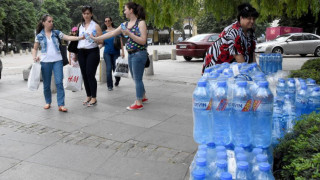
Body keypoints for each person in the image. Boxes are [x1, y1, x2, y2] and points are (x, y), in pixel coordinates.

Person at [91, 2, 148, 110]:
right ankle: (143, 96)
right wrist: (96, 39)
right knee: (136, 78)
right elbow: (111, 33)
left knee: (137, 78)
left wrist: (129, 33)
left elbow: (143, 41)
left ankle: (139, 102)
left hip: (139, 53)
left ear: (131, 10)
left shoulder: (141, 23)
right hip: (131, 54)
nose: (124, 11)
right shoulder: (125, 24)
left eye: (125, 9)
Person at [32, 14, 83, 112]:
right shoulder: (39, 36)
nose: (51, 23)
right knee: (46, 84)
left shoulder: (56, 33)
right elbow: (35, 48)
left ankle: (61, 104)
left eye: (52, 21)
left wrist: (79, 38)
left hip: (57, 61)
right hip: (45, 62)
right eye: (49, 21)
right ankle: (48, 102)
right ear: (43, 23)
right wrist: (34, 57)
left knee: (59, 82)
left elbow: (67, 37)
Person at [203, 3, 259, 72]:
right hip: (216, 64)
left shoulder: (250, 31)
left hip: (230, 64)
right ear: (241, 18)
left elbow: (251, 53)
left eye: (253, 19)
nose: (252, 21)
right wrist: (249, 73)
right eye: (249, 18)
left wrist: (256, 70)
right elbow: (239, 59)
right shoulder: (234, 31)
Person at [77, 5, 103, 107]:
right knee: (84, 74)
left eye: (88, 13)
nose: (86, 15)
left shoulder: (95, 26)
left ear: (91, 14)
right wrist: (75, 54)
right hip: (81, 52)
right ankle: (88, 95)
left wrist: (94, 38)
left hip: (92, 51)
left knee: (90, 74)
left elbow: (101, 41)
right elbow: (78, 40)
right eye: (84, 13)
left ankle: (94, 97)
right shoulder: (80, 26)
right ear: (82, 14)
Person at [100, 16, 125, 91]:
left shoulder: (116, 31)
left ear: (111, 21)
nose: (107, 22)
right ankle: (109, 86)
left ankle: (117, 80)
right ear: (105, 23)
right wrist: (97, 48)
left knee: (116, 69)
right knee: (108, 69)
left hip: (116, 53)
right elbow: (102, 43)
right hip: (107, 53)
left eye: (108, 21)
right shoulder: (103, 33)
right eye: (106, 21)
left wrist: (123, 52)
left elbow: (121, 42)